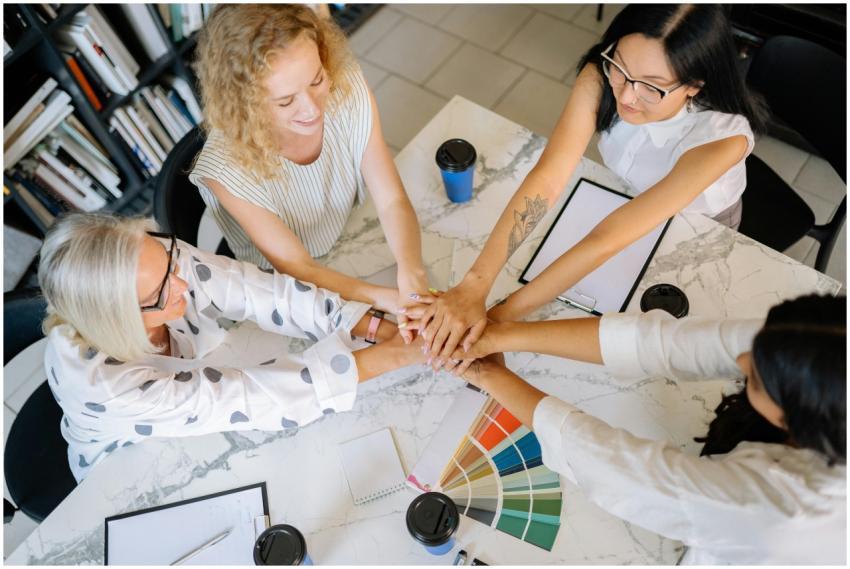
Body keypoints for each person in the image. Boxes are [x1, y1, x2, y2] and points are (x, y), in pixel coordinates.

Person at [419, 5, 769, 368]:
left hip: (695, 226)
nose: (627, 97)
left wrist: (502, 316)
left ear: (694, 86)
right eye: (621, 68)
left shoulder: (721, 138)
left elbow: (608, 237)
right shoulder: (601, 74)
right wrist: (476, 283)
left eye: (651, 88)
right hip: (621, 196)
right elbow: (549, 176)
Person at [451, 294, 846, 564]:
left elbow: (625, 472)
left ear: (795, 421)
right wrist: (499, 336)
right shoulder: (826, 355)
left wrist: (490, 375)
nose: (741, 361)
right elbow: (663, 344)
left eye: (756, 380)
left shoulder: (786, 512)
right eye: (759, 343)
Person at [38, 213, 426, 481]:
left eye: (171, 266)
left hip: (197, 402)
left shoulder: (154, 260)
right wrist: (395, 355)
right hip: (130, 471)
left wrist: (373, 326)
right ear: (117, 317)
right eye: (161, 292)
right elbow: (246, 397)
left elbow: (264, 293)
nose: (182, 285)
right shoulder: (102, 384)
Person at [189, 4, 430, 343]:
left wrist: (412, 272)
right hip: (289, 287)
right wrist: (385, 297)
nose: (313, 108)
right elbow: (299, 269)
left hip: (349, 230)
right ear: (244, 103)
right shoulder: (226, 170)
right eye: (286, 101)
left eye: (316, 80)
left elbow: (390, 199)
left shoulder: (345, 85)